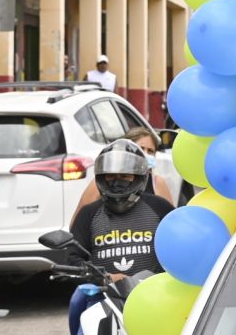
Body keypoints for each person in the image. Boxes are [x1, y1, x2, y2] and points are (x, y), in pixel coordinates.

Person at [66, 139, 174, 335]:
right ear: (100, 178)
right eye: (110, 177)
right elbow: (74, 258)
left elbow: (179, 249)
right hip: (102, 297)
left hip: (155, 298)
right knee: (77, 304)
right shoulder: (89, 214)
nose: (117, 183)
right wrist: (105, 277)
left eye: (124, 176)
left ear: (139, 177)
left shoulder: (160, 208)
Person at [71, 127, 174, 223]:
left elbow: (170, 221)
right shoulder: (103, 182)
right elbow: (79, 221)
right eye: (141, 148)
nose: (145, 154)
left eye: (150, 151)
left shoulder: (157, 183)